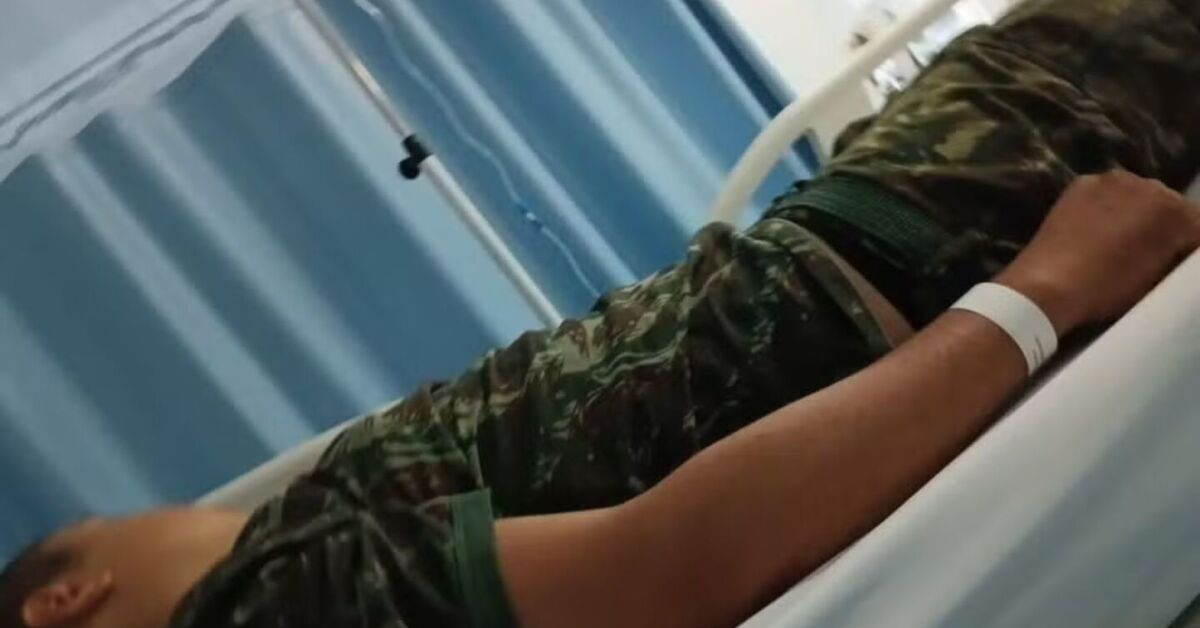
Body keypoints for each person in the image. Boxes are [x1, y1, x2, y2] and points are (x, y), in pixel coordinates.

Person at [5, 0, 1200, 626]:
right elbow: (670, 571)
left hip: (879, 249)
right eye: (112, 527)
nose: (161, 517)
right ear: (68, 600)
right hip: (915, 245)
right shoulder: (250, 608)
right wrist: (1036, 299)